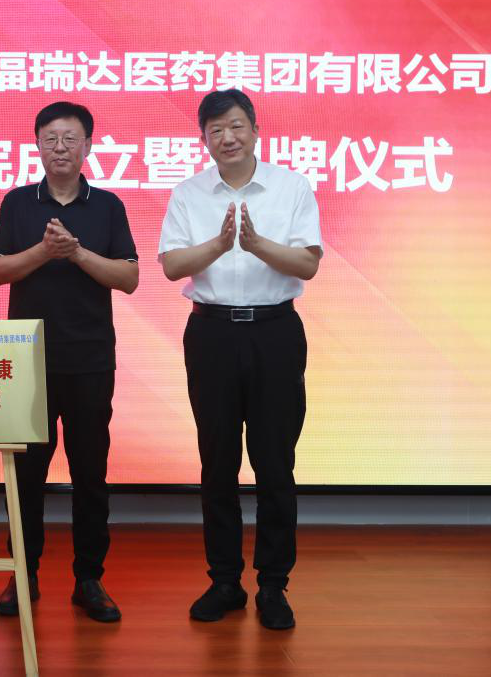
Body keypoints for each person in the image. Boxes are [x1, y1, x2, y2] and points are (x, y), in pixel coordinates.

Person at [157, 89, 321, 631]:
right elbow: (172, 266)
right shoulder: (188, 193)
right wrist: (220, 243)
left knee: (275, 464)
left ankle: (273, 585)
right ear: (204, 138)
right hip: (212, 335)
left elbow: (307, 263)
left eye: (235, 126)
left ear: (254, 130)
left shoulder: (292, 187)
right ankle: (225, 580)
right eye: (215, 130)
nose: (226, 138)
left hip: (275, 334)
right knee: (217, 462)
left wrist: (255, 244)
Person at [0, 101, 139, 623]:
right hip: (28, 361)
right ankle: (22, 573)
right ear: (37, 145)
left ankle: (89, 578)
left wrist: (76, 253)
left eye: (70, 139)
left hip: (90, 358)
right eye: (50, 138)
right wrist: (44, 252)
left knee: (90, 472)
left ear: (88, 146)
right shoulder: (17, 202)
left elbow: (128, 278)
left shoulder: (108, 206)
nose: (60, 148)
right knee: (26, 473)